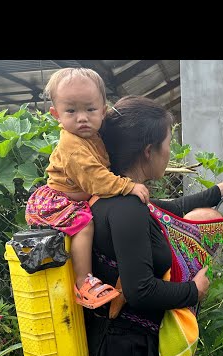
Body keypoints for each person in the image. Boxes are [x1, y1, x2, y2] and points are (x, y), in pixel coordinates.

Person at [84, 95, 223, 356]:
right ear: (149, 151)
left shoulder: (114, 197)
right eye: (168, 143)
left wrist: (220, 190)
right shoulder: (128, 208)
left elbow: (165, 209)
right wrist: (195, 290)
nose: (170, 152)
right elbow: (140, 290)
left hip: (116, 349)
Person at [25, 68, 150, 310]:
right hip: (58, 201)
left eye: (90, 109)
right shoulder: (73, 146)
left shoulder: (91, 135)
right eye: (71, 111)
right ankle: (83, 282)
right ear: (56, 114)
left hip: (75, 197)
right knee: (84, 224)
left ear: (103, 111)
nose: (82, 117)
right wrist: (128, 185)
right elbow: (96, 180)